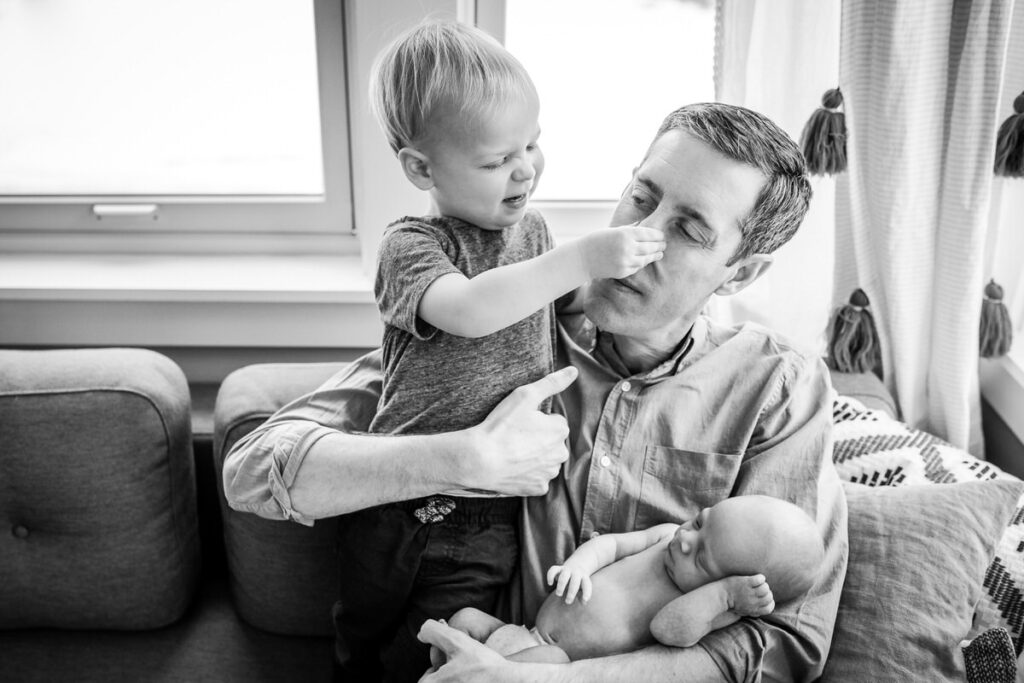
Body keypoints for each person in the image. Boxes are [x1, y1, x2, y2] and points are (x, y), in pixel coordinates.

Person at [223, 101, 848, 682]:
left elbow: (786, 641)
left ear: (741, 271)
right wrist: (462, 458)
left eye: (689, 230)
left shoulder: (778, 388)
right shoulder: (497, 319)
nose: (641, 239)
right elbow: (253, 471)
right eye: (641, 197)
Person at [341, 20, 665, 681]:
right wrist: (580, 256)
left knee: (437, 646)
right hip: (399, 492)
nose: (525, 169)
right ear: (420, 167)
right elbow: (470, 311)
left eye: (533, 144)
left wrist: (615, 286)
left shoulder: (533, 230)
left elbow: (551, 310)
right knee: (360, 630)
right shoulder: (409, 246)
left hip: (489, 506)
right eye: (496, 160)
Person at [444, 495, 825, 664]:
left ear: (726, 585)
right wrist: (579, 565)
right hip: (523, 630)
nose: (686, 540)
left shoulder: (709, 605)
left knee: (537, 664)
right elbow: (611, 547)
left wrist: (724, 597)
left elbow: (668, 630)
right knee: (465, 618)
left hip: (557, 660)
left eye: (703, 556)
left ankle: (463, 669)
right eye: (699, 521)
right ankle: (450, 658)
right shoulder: (666, 535)